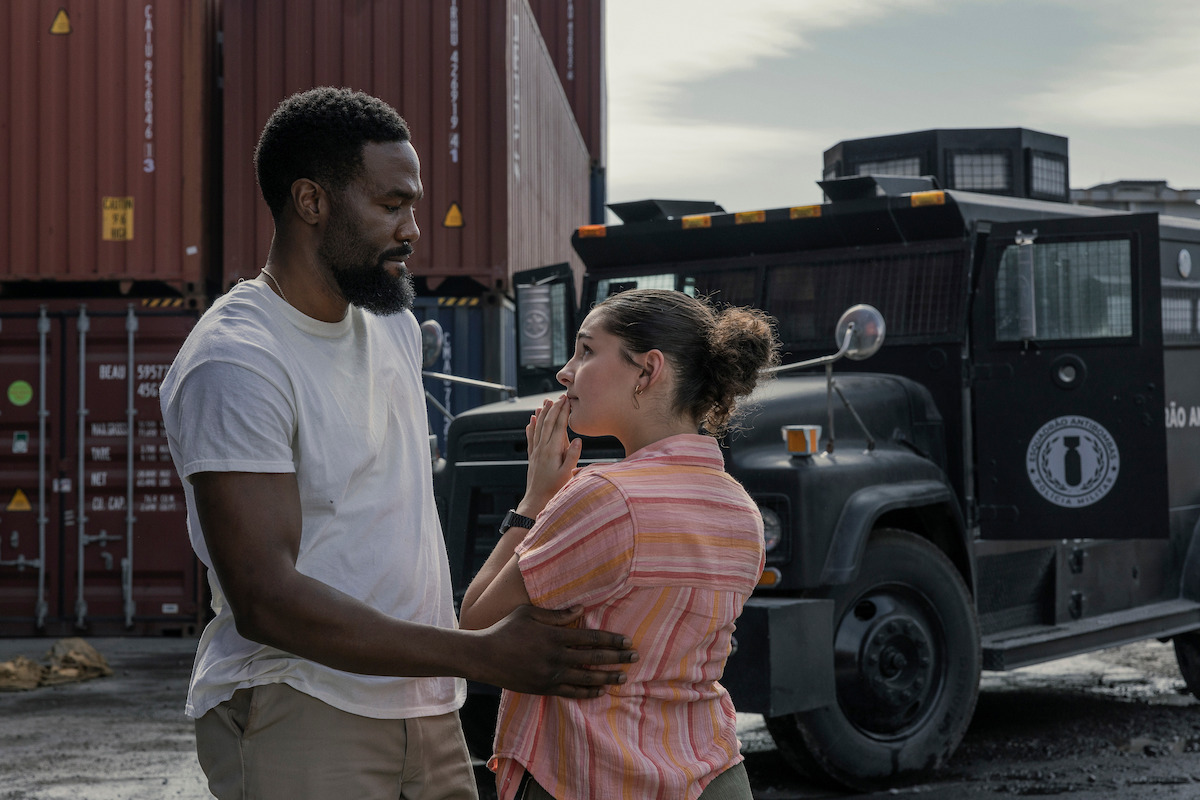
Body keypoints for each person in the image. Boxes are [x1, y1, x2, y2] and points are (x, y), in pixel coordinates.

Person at [159, 87, 635, 800]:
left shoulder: (390, 322)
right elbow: (265, 599)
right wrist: (480, 654)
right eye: (392, 205)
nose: (414, 229)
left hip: (426, 705)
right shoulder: (239, 361)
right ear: (312, 202)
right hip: (304, 705)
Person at [459, 288, 781, 800]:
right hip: (712, 773)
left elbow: (475, 623)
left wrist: (535, 498)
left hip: (588, 774)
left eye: (587, 351)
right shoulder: (738, 505)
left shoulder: (605, 496)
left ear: (647, 372)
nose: (566, 372)